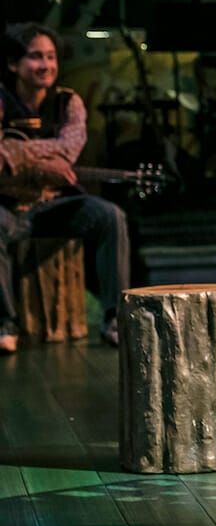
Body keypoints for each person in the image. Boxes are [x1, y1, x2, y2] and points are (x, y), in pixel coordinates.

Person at [0, 22, 130, 352]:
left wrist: (14, 153)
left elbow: (68, 149)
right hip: (8, 206)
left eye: (51, 57)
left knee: (110, 217)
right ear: (14, 64)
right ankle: (6, 322)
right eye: (35, 57)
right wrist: (42, 163)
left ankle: (115, 319)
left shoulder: (69, 102)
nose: (45, 65)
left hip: (53, 205)